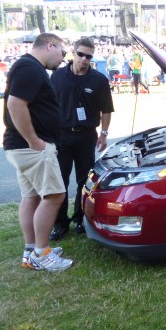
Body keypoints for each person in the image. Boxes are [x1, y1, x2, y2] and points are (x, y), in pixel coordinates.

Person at [3, 33, 73, 271]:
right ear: (50, 45)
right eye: (63, 53)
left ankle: (31, 250)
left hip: (21, 147)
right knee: (54, 196)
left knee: (31, 197)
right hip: (31, 147)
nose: (64, 60)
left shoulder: (28, 66)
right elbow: (15, 104)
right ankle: (41, 254)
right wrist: (34, 141)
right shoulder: (30, 67)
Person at [49, 37, 114, 241]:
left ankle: (79, 218)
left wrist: (104, 133)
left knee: (84, 180)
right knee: (59, 181)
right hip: (62, 136)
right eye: (81, 54)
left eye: (89, 56)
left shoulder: (98, 80)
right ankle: (60, 223)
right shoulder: (57, 77)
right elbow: (48, 107)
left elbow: (106, 109)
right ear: (73, 52)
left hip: (86, 136)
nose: (84, 59)